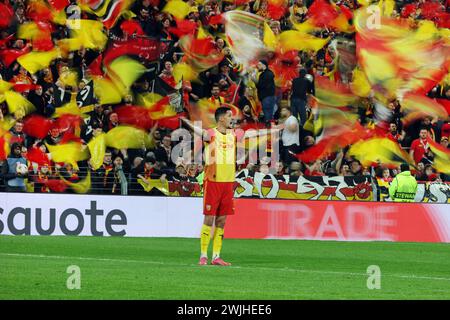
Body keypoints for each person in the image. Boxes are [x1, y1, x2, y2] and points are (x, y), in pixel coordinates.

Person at [182, 107, 245, 266]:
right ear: (222, 118)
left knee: (222, 220)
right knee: (209, 218)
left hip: (228, 181)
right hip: (213, 181)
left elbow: (253, 134)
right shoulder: (211, 133)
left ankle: (216, 256)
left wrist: (274, 130)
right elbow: (199, 131)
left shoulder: (234, 134)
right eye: (230, 115)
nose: (232, 118)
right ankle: (203, 255)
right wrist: (185, 120)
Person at [255, 60, 276, 124]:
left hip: (267, 97)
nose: (257, 66)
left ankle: (269, 130)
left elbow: (261, 85)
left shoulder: (267, 74)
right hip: (267, 97)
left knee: (267, 115)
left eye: (259, 65)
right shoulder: (266, 74)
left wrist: (255, 81)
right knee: (268, 115)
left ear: (264, 65)